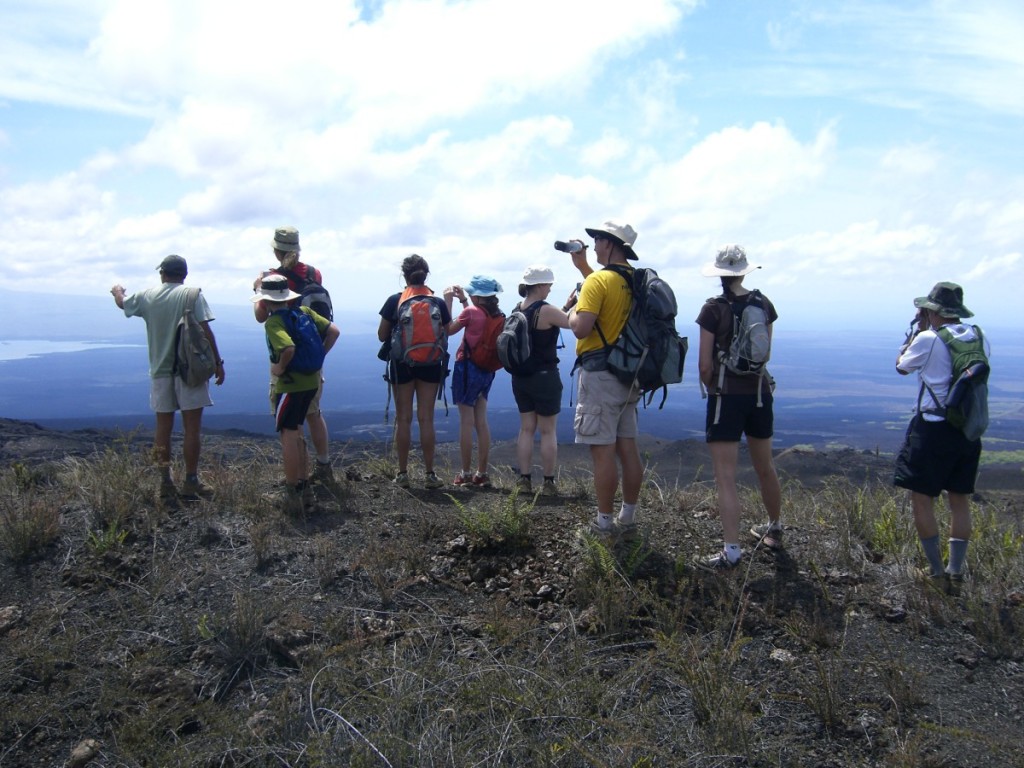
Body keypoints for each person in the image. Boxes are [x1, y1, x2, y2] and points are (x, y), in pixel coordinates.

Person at [894, 282, 988, 590]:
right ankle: (955, 570)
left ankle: (935, 572)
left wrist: (913, 335)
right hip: (966, 431)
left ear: (933, 311)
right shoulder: (979, 337)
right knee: (958, 499)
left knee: (922, 499)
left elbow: (902, 367)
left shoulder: (928, 338)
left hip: (933, 428)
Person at [695, 245, 783, 571]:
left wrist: (710, 385)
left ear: (718, 273)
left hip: (726, 397)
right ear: (745, 271)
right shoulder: (763, 303)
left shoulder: (712, 310)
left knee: (726, 477)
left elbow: (705, 364)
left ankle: (731, 551)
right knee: (766, 467)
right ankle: (774, 529)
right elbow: (766, 354)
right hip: (760, 394)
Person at [110, 255, 225, 500]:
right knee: (191, 429)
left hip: (160, 371)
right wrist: (217, 362)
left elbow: (123, 303)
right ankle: (191, 481)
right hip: (190, 371)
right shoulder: (192, 295)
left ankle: (164, 483)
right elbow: (206, 330)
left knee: (163, 428)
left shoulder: (147, 296)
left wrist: (117, 291)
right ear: (184, 275)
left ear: (162, 273)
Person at [565, 220, 645, 540]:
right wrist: (584, 266)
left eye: (597, 240)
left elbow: (582, 327)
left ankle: (603, 523)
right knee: (628, 447)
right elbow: (613, 304)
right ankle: (628, 515)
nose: (594, 246)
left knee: (602, 450)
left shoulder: (599, 282)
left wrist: (571, 311)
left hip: (600, 375)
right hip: (630, 373)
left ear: (609, 243)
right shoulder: (635, 281)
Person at [253, 226, 336, 488]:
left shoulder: (274, 278)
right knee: (314, 412)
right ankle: (323, 466)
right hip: (312, 357)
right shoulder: (314, 273)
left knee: (290, 425)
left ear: (276, 250)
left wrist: (259, 287)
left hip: (288, 363)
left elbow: (260, 316)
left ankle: (297, 479)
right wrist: (319, 354)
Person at [378, 254, 451, 490]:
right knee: (426, 418)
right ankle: (430, 475)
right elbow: (446, 332)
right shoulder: (437, 303)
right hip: (431, 363)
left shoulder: (395, 300)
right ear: (426, 275)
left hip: (401, 364)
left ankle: (402, 474)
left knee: (404, 418)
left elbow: (381, 335)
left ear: (404, 275)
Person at [510, 265, 571, 496]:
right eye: (549, 285)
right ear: (541, 285)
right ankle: (548, 483)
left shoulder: (518, 309)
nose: (550, 289)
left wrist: (565, 307)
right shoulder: (546, 310)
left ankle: (524, 480)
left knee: (526, 429)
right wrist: (579, 305)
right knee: (547, 431)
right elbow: (570, 323)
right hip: (545, 378)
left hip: (521, 378)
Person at [443, 275, 503, 488]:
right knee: (481, 421)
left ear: (478, 296)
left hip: (466, 369)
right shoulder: (496, 314)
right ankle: (482, 473)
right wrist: (463, 301)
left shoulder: (470, 313)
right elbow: (478, 324)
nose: (468, 295)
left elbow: (448, 330)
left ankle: (465, 473)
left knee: (466, 422)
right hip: (486, 370)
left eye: (470, 293)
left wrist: (448, 300)